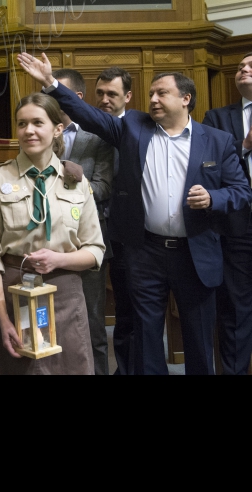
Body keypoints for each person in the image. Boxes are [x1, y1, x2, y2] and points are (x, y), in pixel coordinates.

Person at [18, 52, 252, 375]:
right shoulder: (133, 128)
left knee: (199, 341)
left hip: (195, 254)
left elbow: (242, 191)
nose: (153, 99)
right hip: (147, 254)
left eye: (162, 93)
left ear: (186, 99)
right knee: (146, 342)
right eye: (151, 93)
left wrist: (214, 197)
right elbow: (88, 115)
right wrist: (50, 83)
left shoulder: (218, 140)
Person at [0, 93, 106, 376]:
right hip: (14, 293)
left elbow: (95, 249)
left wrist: (57, 260)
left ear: (57, 128)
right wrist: (3, 320)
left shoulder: (76, 182)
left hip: (65, 294)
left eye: (38, 122)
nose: (29, 131)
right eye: (22, 124)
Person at [54, 69, 114, 376]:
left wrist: (74, 179)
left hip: (87, 241)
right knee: (52, 322)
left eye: (56, 93)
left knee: (91, 322)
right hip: (47, 242)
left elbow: (104, 187)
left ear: (75, 98)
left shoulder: (97, 137)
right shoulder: (42, 132)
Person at [202, 52, 252, 375]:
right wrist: (245, 144)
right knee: (236, 309)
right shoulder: (217, 118)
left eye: (251, 66)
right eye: (240, 67)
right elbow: (207, 163)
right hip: (239, 226)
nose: (243, 70)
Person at [95, 67, 136, 376]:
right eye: (100, 93)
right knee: (92, 309)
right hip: (91, 230)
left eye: (112, 94)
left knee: (128, 311)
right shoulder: (89, 130)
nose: (105, 99)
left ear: (128, 96)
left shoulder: (140, 129)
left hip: (128, 235)